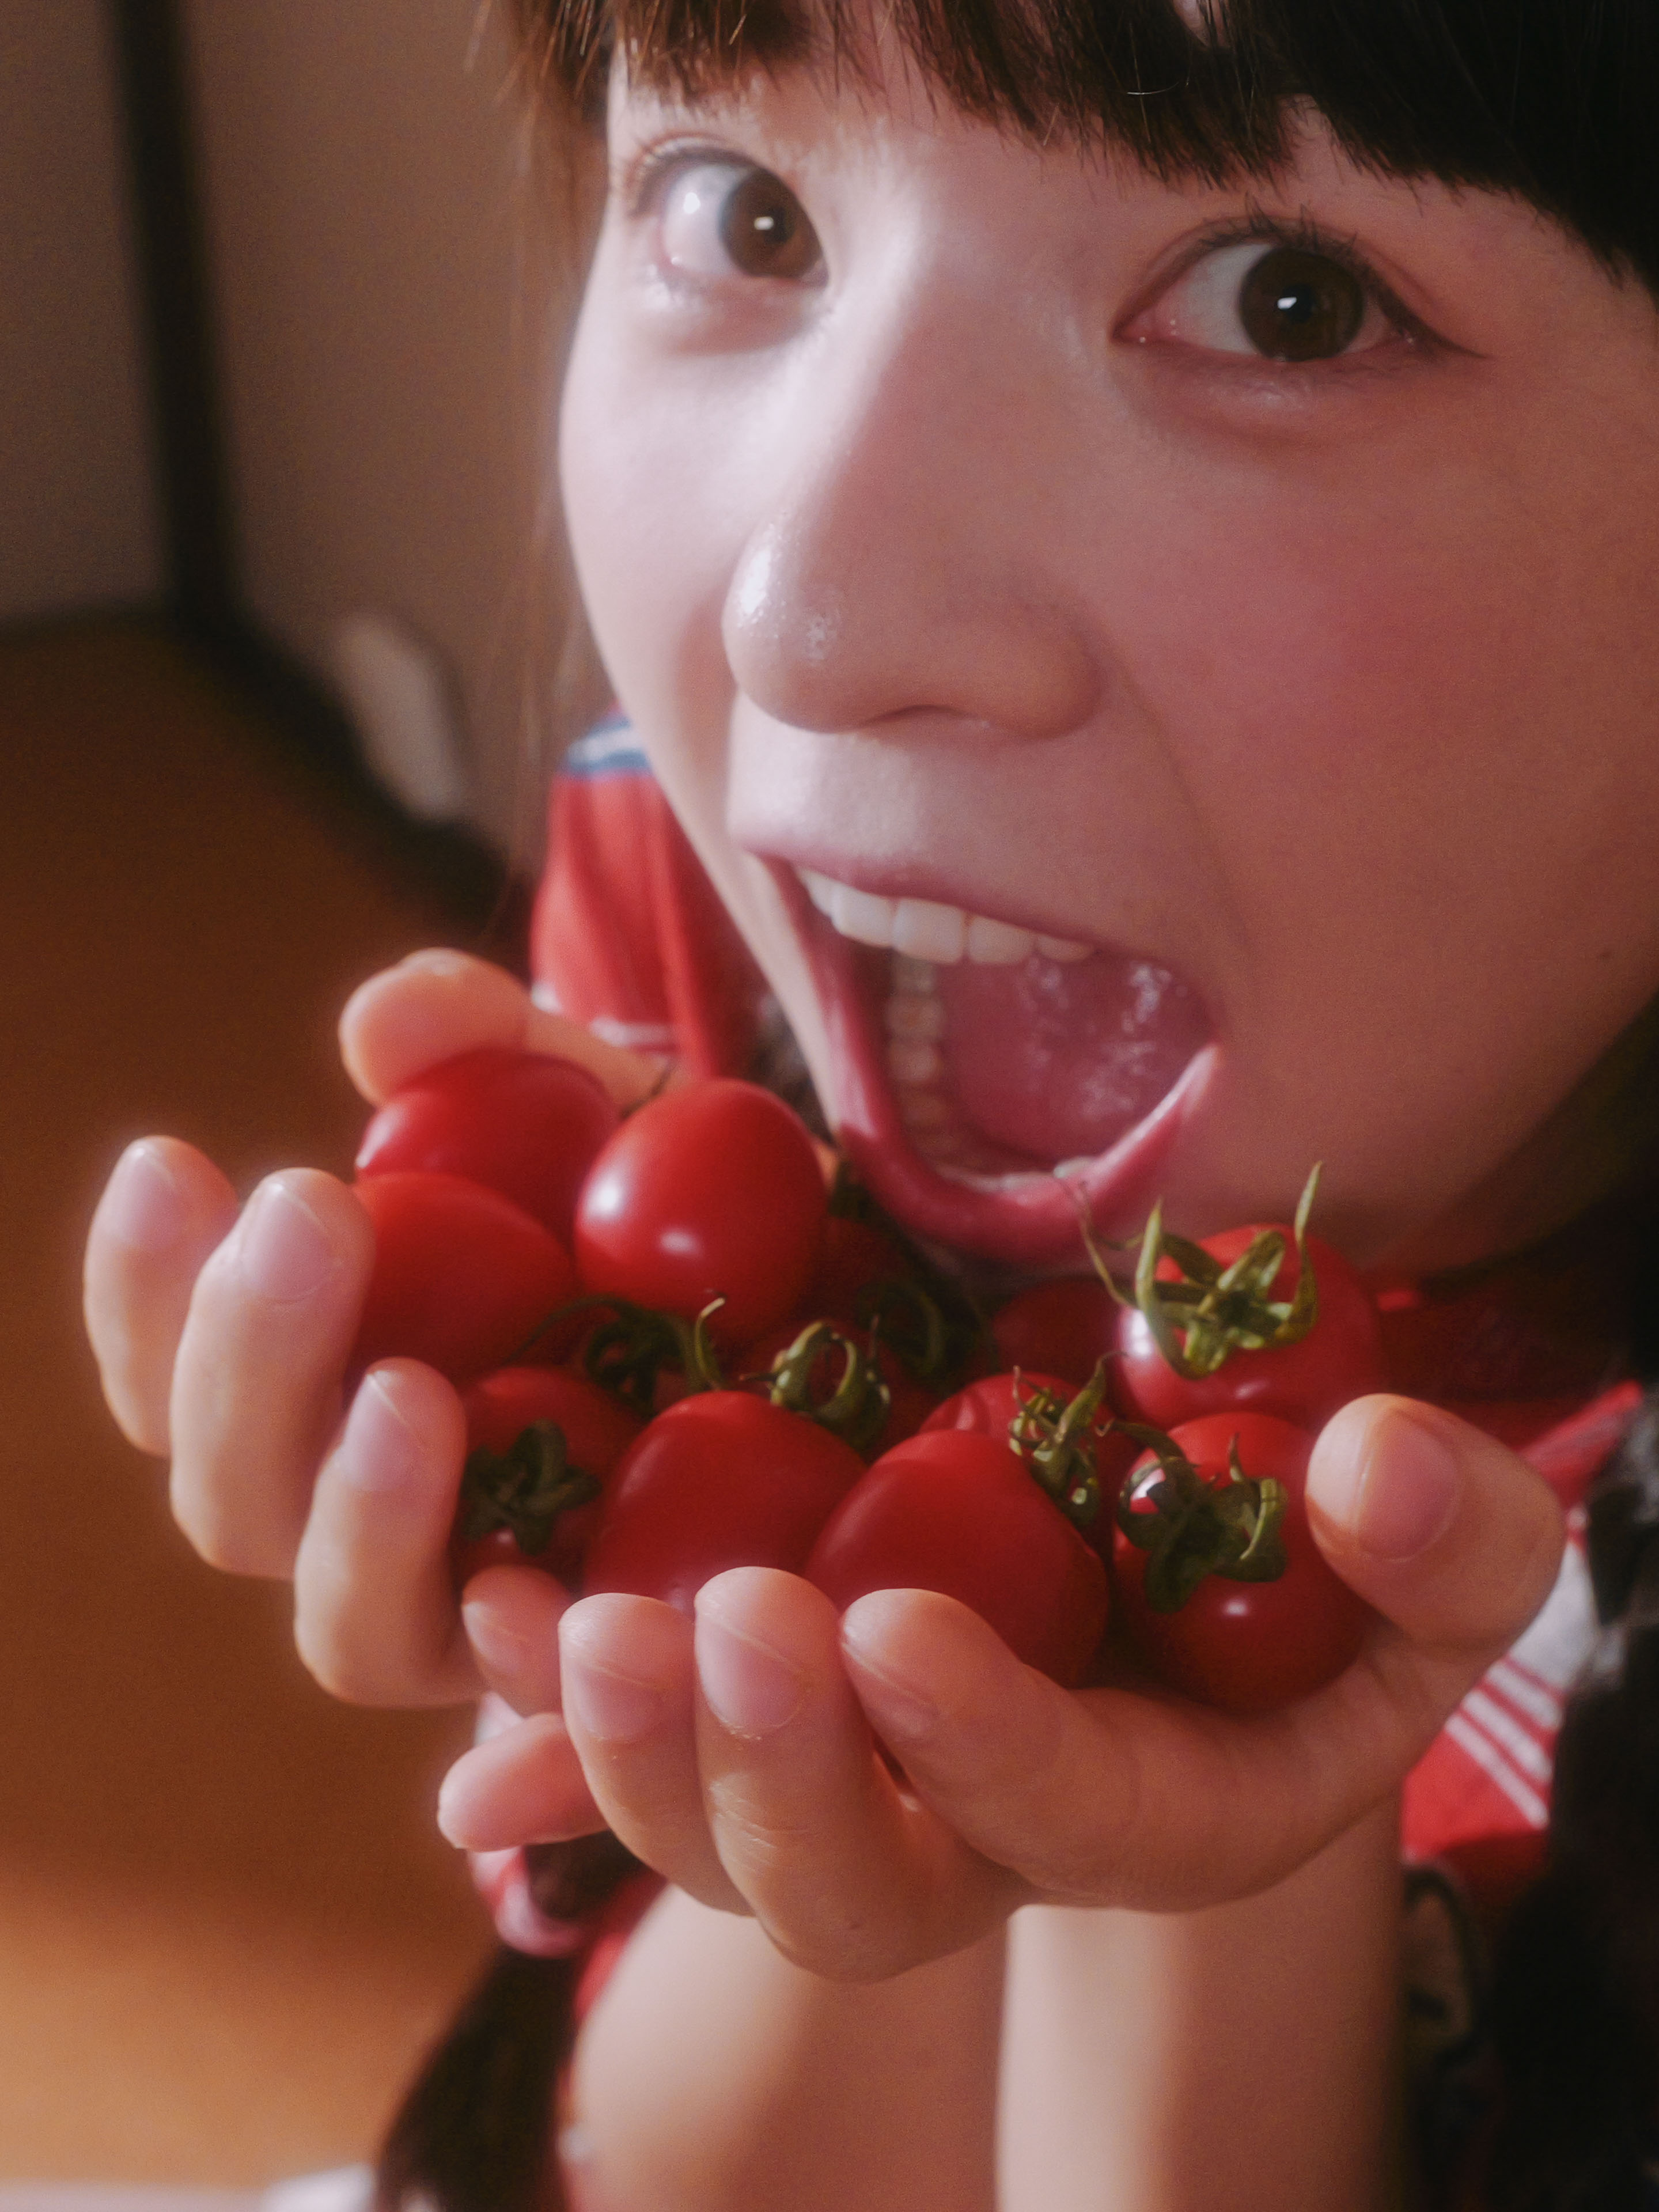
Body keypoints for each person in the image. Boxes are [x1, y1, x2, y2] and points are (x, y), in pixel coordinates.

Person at [82, 0, 1659, 2203]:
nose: (804, 625)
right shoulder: (714, 964)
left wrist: (1199, 1841)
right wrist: (910, 1735)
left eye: (1286, 302)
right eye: (745, 211)